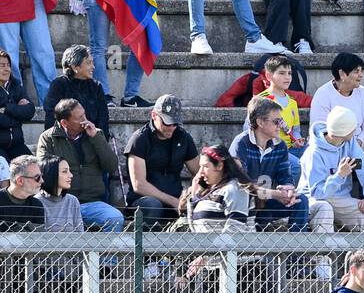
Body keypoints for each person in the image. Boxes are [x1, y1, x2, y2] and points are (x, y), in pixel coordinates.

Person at [37, 98, 126, 231]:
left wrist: (96, 138)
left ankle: (107, 253)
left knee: (115, 217)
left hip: (92, 202)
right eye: (79, 118)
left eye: (84, 114)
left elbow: (112, 166)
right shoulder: (48, 138)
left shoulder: (96, 134)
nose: (85, 120)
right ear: (64, 123)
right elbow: (45, 171)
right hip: (61, 202)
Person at [230, 95, 309, 232]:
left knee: (300, 200)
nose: (281, 126)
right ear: (260, 122)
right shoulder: (240, 144)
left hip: (265, 201)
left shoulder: (280, 145)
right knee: (258, 207)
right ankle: (265, 251)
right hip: (242, 204)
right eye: (276, 121)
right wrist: (275, 194)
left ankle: (297, 252)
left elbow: (285, 175)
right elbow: (242, 186)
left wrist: (288, 190)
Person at [299, 104, 364, 233]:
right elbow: (317, 193)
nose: (356, 130)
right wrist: (339, 176)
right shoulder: (314, 153)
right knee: (325, 208)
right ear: (343, 131)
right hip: (316, 200)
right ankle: (324, 253)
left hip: (341, 199)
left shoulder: (350, 143)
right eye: (352, 128)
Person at [125, 95, 200, 226]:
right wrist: (173, 201)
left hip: (177, 200)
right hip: (144, 202)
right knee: (153, 206)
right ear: (154, 115)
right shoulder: (139, 139)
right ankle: (147, 245)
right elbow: (139, 185)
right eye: (167, 122)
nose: (171, 127)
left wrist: (191, 194)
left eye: (175, 123)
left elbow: (200, 172)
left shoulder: (183, 137)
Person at [180, 144, 254, 232]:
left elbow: (235, 230)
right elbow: (194, 228)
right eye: (200, 167)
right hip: (205, 245)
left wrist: (215, 245)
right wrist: (194, 196)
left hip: (226, 245)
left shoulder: (234, 189)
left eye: (206, 166)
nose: (201, 172)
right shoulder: (210, 192)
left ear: (219, 166)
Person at [310, 52, 364, 146]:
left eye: (361, 71)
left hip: (359, 145)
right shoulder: (323, 94)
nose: (361, 75)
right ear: (342, 74)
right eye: (356, 71)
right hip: (332, 146)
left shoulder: (362, 92)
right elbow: (319, 129)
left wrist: (358, 143)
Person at [45, 45, 111, 137]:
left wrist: (99, 142)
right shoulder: (59, 85)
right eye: (89, 63)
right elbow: (52, 118)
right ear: (75, 66)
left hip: (91, 140)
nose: (93, 67)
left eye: (92, 62)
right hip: (65, 141)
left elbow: (103, 121)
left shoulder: (96, 87)